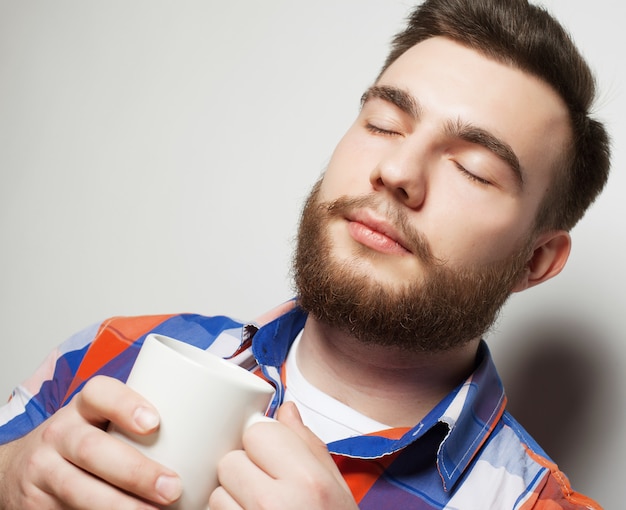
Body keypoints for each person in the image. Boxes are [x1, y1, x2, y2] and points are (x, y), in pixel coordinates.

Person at [0, 0, 611, 508]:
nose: (397, 170)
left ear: (536, 261)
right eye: (383, 123)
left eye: (472, 170)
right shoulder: (111, 354)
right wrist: (10, 478)